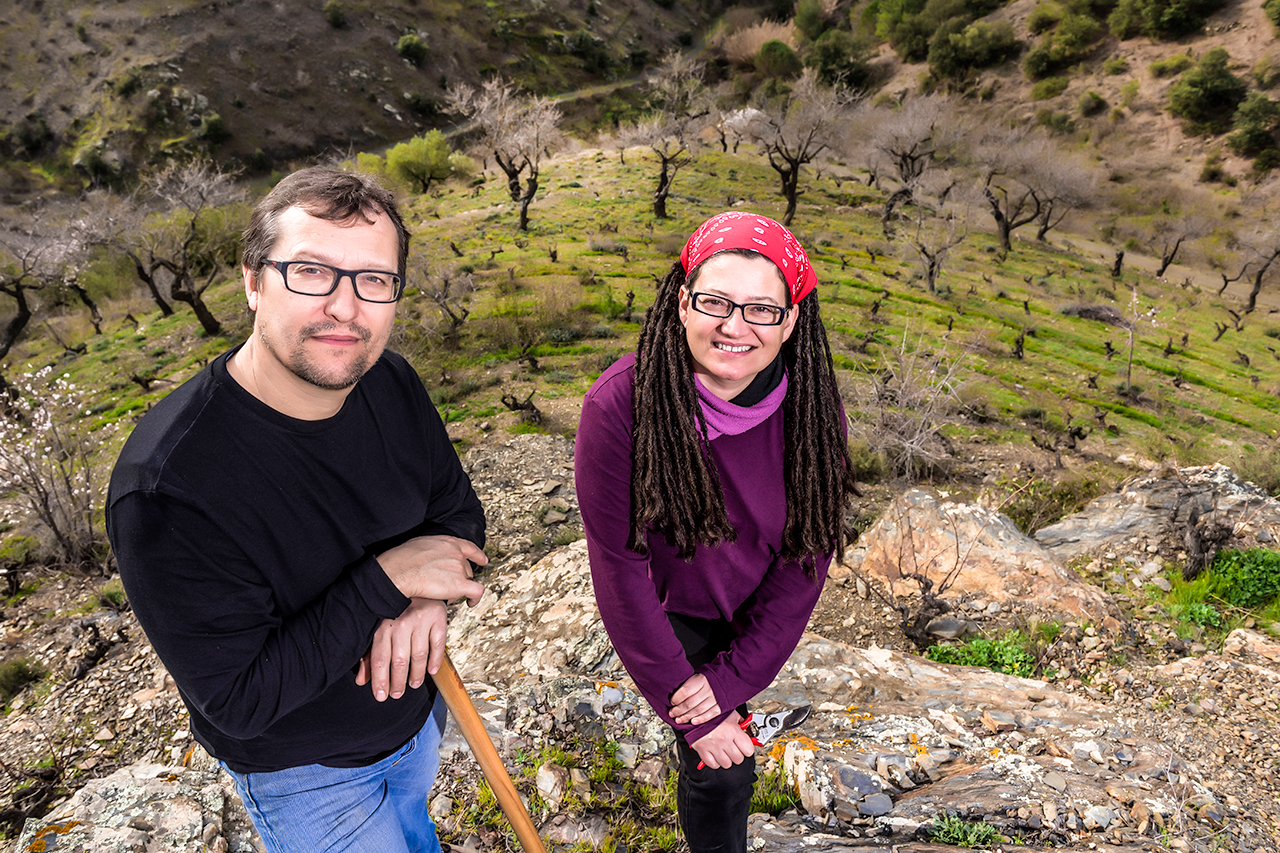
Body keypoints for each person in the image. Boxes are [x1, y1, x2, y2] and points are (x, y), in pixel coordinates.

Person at [106, 167, 487, 853]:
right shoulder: (168, 484)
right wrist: (390, 579)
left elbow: (457, 513)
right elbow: (240, 699)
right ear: (253, 282)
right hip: (308, 779)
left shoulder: (391, 382)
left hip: (418, 724)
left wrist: (428, 601)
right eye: (311, 271)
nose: (346, 307)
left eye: (374, 279)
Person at [575, 211, 858, 853]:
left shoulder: (815, 416)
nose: (735, 327)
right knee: (722, 769)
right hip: (667, 605)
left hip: (755, 601)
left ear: (790, 321)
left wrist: (731, 681)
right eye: (716, 303)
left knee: (724, 753)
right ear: (682, 304)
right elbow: (619, 565)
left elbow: (804, 560)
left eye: (761, 310)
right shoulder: (621, 404)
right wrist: (690, 703)